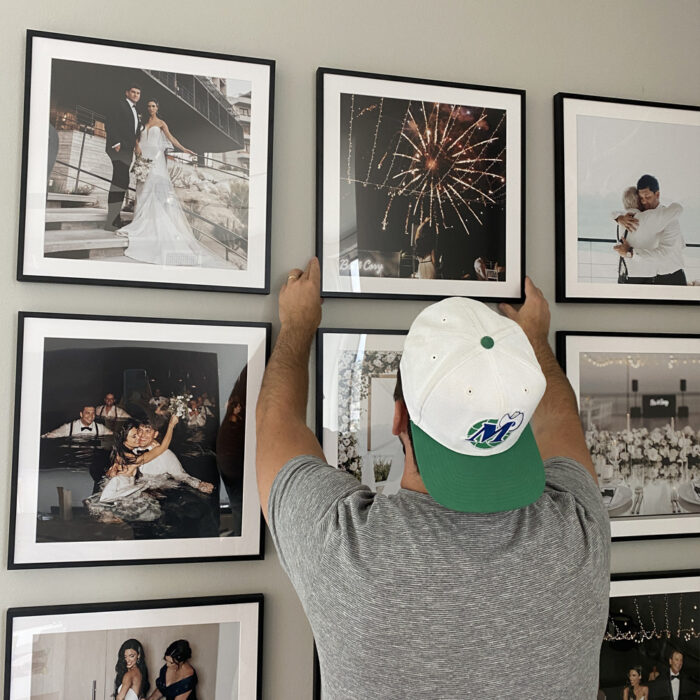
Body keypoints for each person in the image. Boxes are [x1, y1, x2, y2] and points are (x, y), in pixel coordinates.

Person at [255, 258, 610, 698]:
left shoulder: (346, 548)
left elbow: (277, 422)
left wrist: (297, 325)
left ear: (399, 416)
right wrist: (533, 340)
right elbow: (561, 421)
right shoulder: (578, 531)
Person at [118, 98, 228, 268]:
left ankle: (149, 222)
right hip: (142, 156)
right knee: (141, 187)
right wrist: (137, 146)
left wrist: (184, 149)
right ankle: (138, 219)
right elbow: (136, 137)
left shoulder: (161, 123)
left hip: (154, 158)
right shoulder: (142, 122)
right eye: (148, 106)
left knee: (151, 189)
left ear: (157, 108)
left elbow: (171, 138)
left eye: (153, 105)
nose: (151, 108)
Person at [614, 174, 687, 285]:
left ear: (657, 194)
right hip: (652, 279)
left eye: (647, 197)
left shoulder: (669, 218)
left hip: (672, 277)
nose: (644, 202)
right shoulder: (641, 217)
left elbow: (664, 254)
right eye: (641, 198)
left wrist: (631, 253)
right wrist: (618, 217)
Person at [105, 83, 142, 231]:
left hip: (128, 150)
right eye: (133, 92)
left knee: (121, 181)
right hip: (118, 148)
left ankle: (114, 218)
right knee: (119, 181)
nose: (135, 95)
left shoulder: (136, 110)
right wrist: (115, 142)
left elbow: (132, 130)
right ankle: (112, 221)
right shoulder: (119, 105)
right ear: (127, 93)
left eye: (138, 93)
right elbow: (110, 122)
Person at [42, 405, 113, 439]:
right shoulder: (69, 427)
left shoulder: (100, 428)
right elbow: (49, 435)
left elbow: (114, 436)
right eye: (87, 413)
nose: (91, 416)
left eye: (93, 413)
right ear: (81, 414)